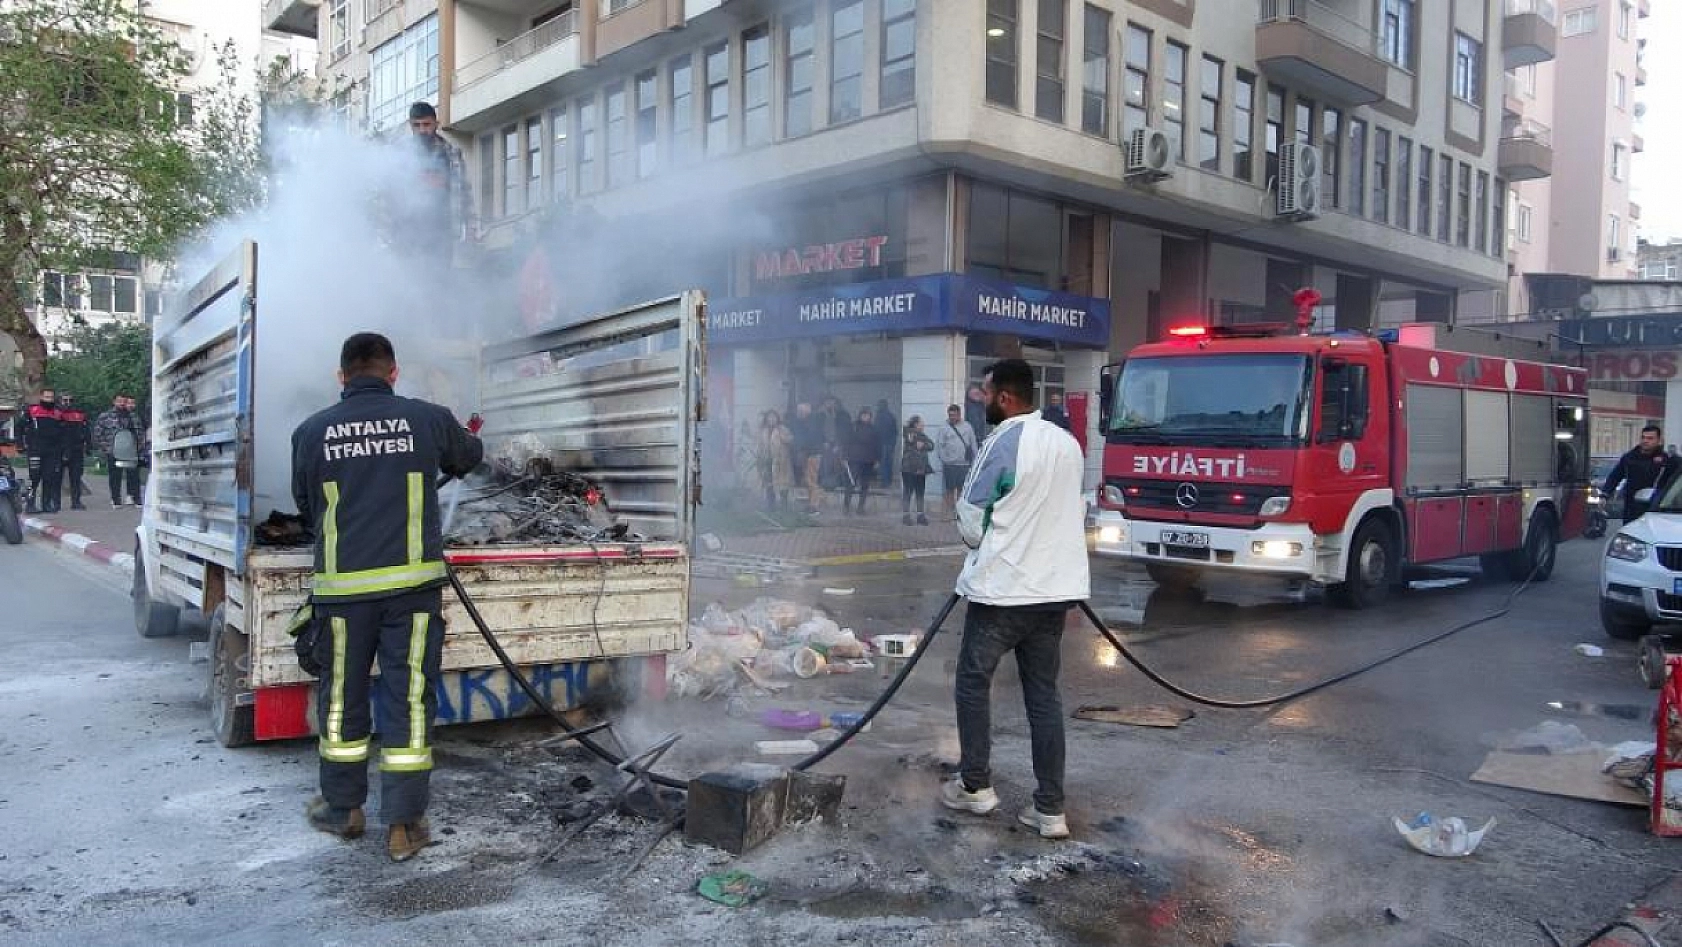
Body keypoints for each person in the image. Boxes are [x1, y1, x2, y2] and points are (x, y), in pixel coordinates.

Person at [291, 333, 483, 862]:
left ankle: (343, 809)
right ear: (394, 373)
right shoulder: (424, 418)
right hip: (411, 595)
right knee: (409, 701)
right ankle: (403, 824)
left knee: (340, 700)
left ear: (341, 376)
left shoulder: (311, 432)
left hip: (343, 596)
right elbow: (469, 456)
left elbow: (307, 510)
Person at [940, 359, 1090, 841]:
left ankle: (975, 787)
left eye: (984, 394)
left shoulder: (1001, 442)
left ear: (1004, 397)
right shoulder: (1068, 444)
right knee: (1043, 698)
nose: (979, 400)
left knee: (972, 682)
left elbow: (969, 518)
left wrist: (977, 540)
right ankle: (1050, 810)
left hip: (1003, 593)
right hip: (1054, 597)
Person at [401, 102, 474, 260]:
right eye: (417, 125)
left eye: (426, 124)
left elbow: (464, 193)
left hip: (442, 234)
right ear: (410, 126)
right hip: (408, 236)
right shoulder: (399, 154)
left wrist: (469, 227)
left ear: (436, 124)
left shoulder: (451, 154)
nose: (422, 130)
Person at [1601, 425, 1678, 521]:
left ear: (1659, 440)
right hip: (1632, 508)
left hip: (1656, 509)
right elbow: (1615, 476)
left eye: (1650, 438)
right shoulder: (1630, 458)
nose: (1645, 441)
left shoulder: (1667, 460)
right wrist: (1605, 494)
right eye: (1643, 437)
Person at [94, 394, 144, 507]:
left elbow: (140, 432)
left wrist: (139, 446)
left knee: (134, 475)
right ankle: (115, 499)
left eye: (124, 401)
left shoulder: (133, 416)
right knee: (115, 476)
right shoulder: (105, 416)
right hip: (114, 451)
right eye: (119, 401)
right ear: (114, 402)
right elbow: (98, 433)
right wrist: (106, 448)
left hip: (131, 451)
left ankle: (134, 498)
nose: (122, 403)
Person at [21, 388, 64, 514]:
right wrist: (20, 444)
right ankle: (30, 504)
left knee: (49, 477)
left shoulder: (58, 413)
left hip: (52, 451)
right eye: (46, 397)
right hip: (35, 449)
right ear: (41, 397)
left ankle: (46, 505)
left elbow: (63, 432)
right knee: (34, 477)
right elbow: (19, 426)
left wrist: (62, 449)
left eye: (51, 397)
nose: (49, 400)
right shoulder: (32, 410)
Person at [934, 404, 979, 517]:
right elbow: (939, 446)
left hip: (964, 464)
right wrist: (945, 460)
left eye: (954, 415)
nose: (952, 417)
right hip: (950, 465)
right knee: (949, 490)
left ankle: (959, 514)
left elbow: (973, 444)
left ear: (959, 414)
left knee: (962, 490)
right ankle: (948, 513)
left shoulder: (968, 426)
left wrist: (976, 460)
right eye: (950, 415)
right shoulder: (944, 428)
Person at [789, 402, 825, 514]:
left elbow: (809, 439)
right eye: (798, 410)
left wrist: (800, 448)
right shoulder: (801, 422)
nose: (799, 413)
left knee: (811, 481)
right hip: (807, 454)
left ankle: (814, 506)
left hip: (812, 455)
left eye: (801, 411)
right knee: (808, 480)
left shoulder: (812, 423)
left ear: (808, 411)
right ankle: (811, 504)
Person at [756, 410, 794, 512]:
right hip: (767, 460)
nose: (771, 419)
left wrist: (783, 437)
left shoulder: (783, 429)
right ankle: (771, 506)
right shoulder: (763, 431)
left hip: (781, 461)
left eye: (774, 417)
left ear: (777, 418)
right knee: (769, 483)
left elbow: (790, 440)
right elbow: (759, 445)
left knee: (783, 483)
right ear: (766, 419)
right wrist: (759, 458)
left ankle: (784, 505)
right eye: (769, 417)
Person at [58, 394, 91, 510]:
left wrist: (88, 445)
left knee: (76, 477)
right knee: (56, 477)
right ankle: (55, 503)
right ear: (60, 401)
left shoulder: (80, 414)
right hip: (59, 449)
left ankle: (76, 501)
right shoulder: (55, 413)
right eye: (65, 400)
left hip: (76, 449)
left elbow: (87, 430)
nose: (67, 403)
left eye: (70, 400)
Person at [843, 407, 879, 515]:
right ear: (860, 415)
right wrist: (844, 456)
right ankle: (846, 506)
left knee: (865, 485)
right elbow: (846, 442)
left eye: (868, 415)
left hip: (868, 461)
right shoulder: (853, 427)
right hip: (854, 459)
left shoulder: (873, 429)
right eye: (864, 415)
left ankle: (860, 508)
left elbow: (877, 445)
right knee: (851, 484)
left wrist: (877, 459)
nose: (866, 417)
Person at [900, 416, 934, 526]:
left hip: (921, 469)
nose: (923, 425)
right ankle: (906, 515)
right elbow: (912, 441)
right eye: (921, 423)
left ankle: (920, 515)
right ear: (915, 424)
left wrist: (924, 444)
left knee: (920, 493)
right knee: (908, 492)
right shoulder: (909, 433)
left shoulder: (922, 435)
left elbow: (931, 445)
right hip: (909, 469)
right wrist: (921, 444)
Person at [874, 398, 898, 488]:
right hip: (889, 444)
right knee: (888, 463)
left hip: (883, 444)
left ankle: (884, 482)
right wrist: (893, 444)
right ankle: (888, 481)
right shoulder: (891, 416)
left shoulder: (879, 416)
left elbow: (876, 430)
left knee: (884, 463)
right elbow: (895, 432)